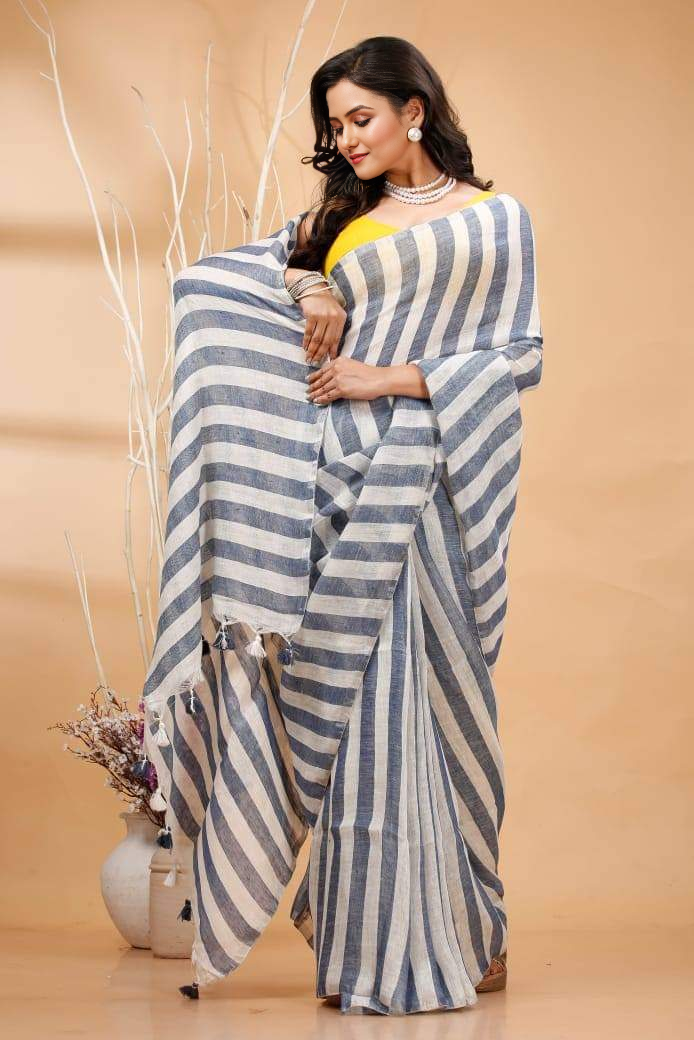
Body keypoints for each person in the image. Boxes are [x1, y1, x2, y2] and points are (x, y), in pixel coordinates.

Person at [143, 34, 541, 1016]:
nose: (348, 138)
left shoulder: (495, 221)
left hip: (428, 487)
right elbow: (214, 284)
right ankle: (370, 941)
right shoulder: (339, 220)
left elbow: (519, 356)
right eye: (335, 124)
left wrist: (384, 377)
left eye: (362, 116)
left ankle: (471, 930)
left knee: (443, 710)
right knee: (358, 713)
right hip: (334, 488)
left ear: (415, 109)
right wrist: (310, 281)